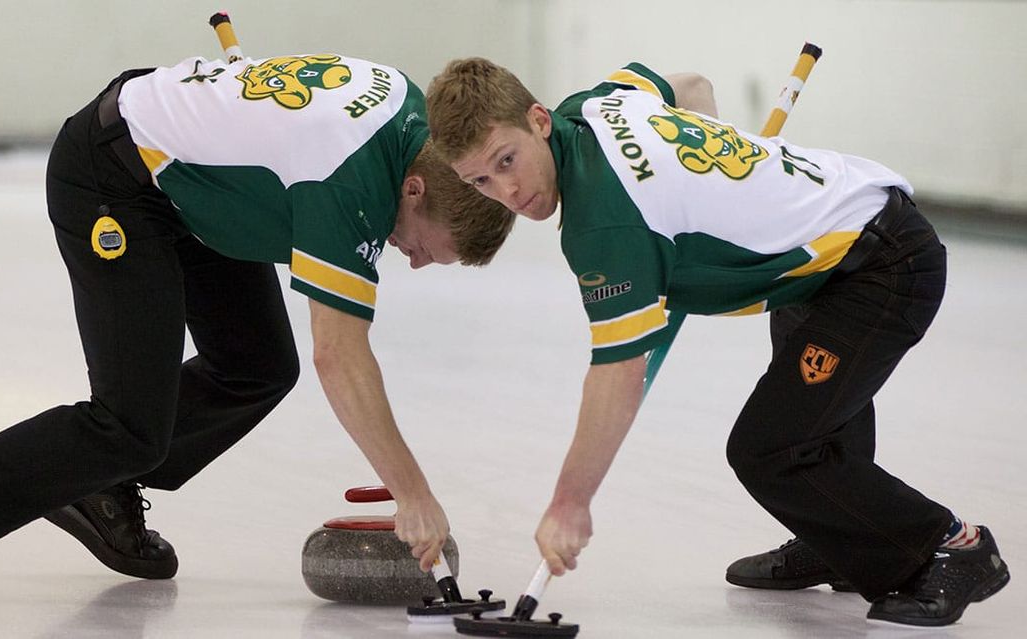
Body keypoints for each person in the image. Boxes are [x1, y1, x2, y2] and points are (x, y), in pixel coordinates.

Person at [0, 52, 514, 606]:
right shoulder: (352, 183)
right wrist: (414, 493)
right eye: (426, 246)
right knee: (126, 422)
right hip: (113, 177)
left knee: (257, 364)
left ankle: (101, 487)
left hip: (191, 188)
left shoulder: (409, 121)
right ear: (417, 191)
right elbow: (341, 356)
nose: (415, 261)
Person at [424, 57, 1009, 627]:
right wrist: (716, 172)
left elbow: (619, 370)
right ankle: (837, 544)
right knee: (814, 422)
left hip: (880, 265)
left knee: (772, 447)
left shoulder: (606, 225)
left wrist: (569, 503)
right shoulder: (596, 103)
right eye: (481, 180)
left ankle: (954, 546)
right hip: (817, 266)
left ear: (538, 120)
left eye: (507, 160)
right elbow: (692, 85)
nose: (507, 190)